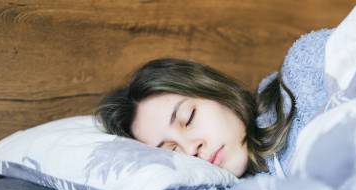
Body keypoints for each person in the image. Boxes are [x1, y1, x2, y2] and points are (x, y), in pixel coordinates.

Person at [91, 58, 295, 178]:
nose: (190, 149)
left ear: (215, 90)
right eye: (171, 149)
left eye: (188, 119)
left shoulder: (301, 84)